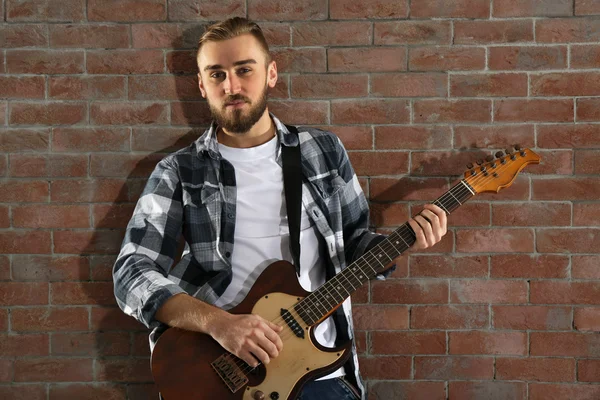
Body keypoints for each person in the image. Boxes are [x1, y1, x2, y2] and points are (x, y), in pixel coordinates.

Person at [112, 17, 448, 400]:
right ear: (202, 86)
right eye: (217, 74)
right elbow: (131, 273)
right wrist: (220, 325)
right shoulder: (179, 171)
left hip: (319, 375)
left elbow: (354, 242)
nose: (232, 86)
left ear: (271, 73)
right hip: (220, 376)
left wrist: (406, 241)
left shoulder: (322, 151)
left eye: (244, 70)